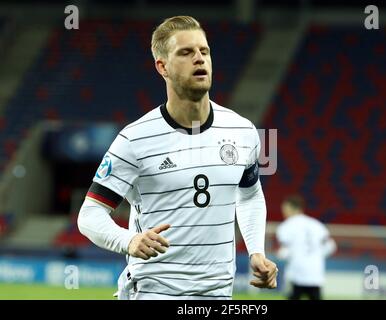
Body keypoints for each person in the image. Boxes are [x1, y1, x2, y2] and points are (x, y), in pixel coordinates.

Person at [77, 15, 278, 300]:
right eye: (186, 52)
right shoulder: (135, 139)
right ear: (163, 67)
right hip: (154, 291)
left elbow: (249, 196)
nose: (199, 59)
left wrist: (256, 251)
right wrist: (129, 240)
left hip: (218, 293)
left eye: (204, 51)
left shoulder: (243, 131)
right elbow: (90, 214)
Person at [276, 194, 336, 300]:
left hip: (296, 273)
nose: (284, 211)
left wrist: (282, 254)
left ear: (290, 208)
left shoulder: (285, 227)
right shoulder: (316, 224)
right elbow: (331, 246)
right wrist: (315, 256)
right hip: (315, 272)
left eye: (285, 208)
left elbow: (285, 252)